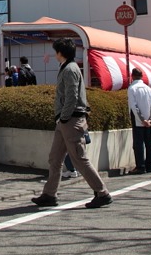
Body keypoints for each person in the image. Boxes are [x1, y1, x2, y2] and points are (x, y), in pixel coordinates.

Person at [31, 38, 112, 209]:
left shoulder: (70, 69)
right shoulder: (68, 67)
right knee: (55, 158)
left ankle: (102, 192)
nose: (54, 54)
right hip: (66, 121)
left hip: (71, 120)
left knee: (79, 159)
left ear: (61, 52)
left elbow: (72, 96)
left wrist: (64, 117)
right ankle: (49, 194)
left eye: (56, 51)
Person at [127, 67, 151, 174]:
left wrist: (142, 119)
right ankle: (150, 165)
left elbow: (134, 107)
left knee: (138, 144)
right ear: (142, 76)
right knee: (148, 143)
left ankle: (140, 166)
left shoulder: (132, 88)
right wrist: (150, 119)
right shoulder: (148, 89)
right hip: (148, 119)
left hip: (138, 119)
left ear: (132, 76)